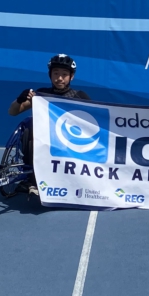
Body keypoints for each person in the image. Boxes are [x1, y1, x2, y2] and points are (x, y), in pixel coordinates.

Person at [9, 54, 91, 195]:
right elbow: (13, 112)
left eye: (64, 74)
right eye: (56, 73)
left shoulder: (80, 96)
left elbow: (92, 121)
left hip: (69, 141)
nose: (59, 78)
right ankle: (32, 179)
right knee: (29, 128)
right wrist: (19, 99)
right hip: (43, 139)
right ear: (50, 75)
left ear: (71, 77)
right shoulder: (40, 94)